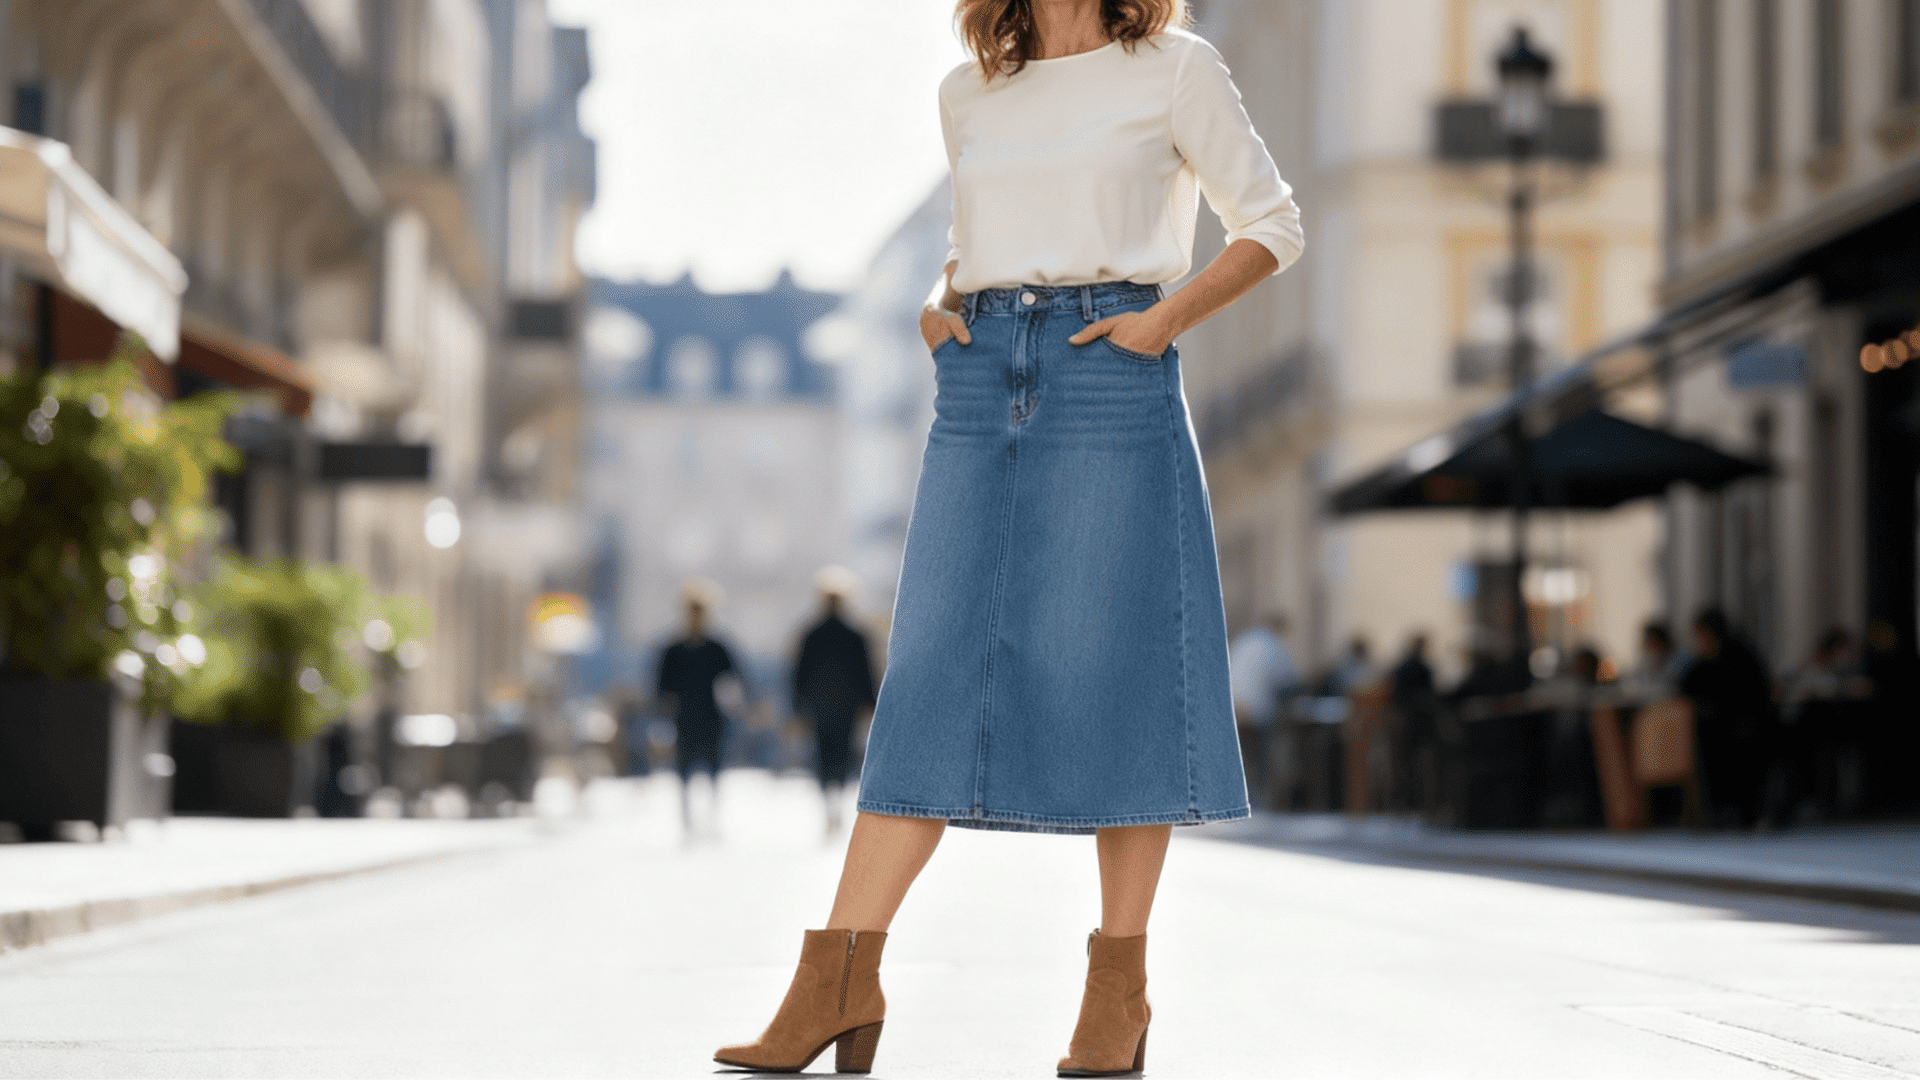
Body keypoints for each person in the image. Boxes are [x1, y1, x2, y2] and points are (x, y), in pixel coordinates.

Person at [713, 1, 1304, 1073]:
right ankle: (838, 976)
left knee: (1116, 669)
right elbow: (978, 238)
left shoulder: (1175, 69)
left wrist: (1162, 322)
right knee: (930, 670)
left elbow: (1271, 224)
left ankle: (1116, 994)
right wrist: (944, 306)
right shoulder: (970, 90)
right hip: (980, 381)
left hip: (1109, 371)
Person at [792, 567, 878, 836]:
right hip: (830, 707)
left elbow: (866, 673)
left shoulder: (846, 635)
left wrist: (869, 705)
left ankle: (835, 803)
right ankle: (832, 804)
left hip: (839, 708)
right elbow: (799, 674)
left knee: (837, 756)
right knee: (828, 755)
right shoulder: (821, 634)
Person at [655, 581, 739, 838]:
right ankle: (688, 819)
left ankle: (711, 817)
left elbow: (735, 679)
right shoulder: (673, 649)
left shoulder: (717, 648)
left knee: (714, 767)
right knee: (683, 769)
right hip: (684, 717)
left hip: (711, 715)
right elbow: (661, 688)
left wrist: (736, 704)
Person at [1679, 609, 1775, 829]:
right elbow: (1685, 685)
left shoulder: (1740, 656)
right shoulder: (1705, 661)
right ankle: (1719, 810)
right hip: (1718, 728)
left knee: (1724, 746)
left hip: (1747, 726)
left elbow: (1751, 696)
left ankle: (1740, 811)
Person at [1229, 613, 1298, 808]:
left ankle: (1243, 798)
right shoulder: (1274, 645)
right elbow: (1288, 682)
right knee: (1262, 758)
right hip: (1256, 711)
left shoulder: (1245, 640)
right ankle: (1260, 800)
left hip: (1233, 708)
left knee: (1242, 757)